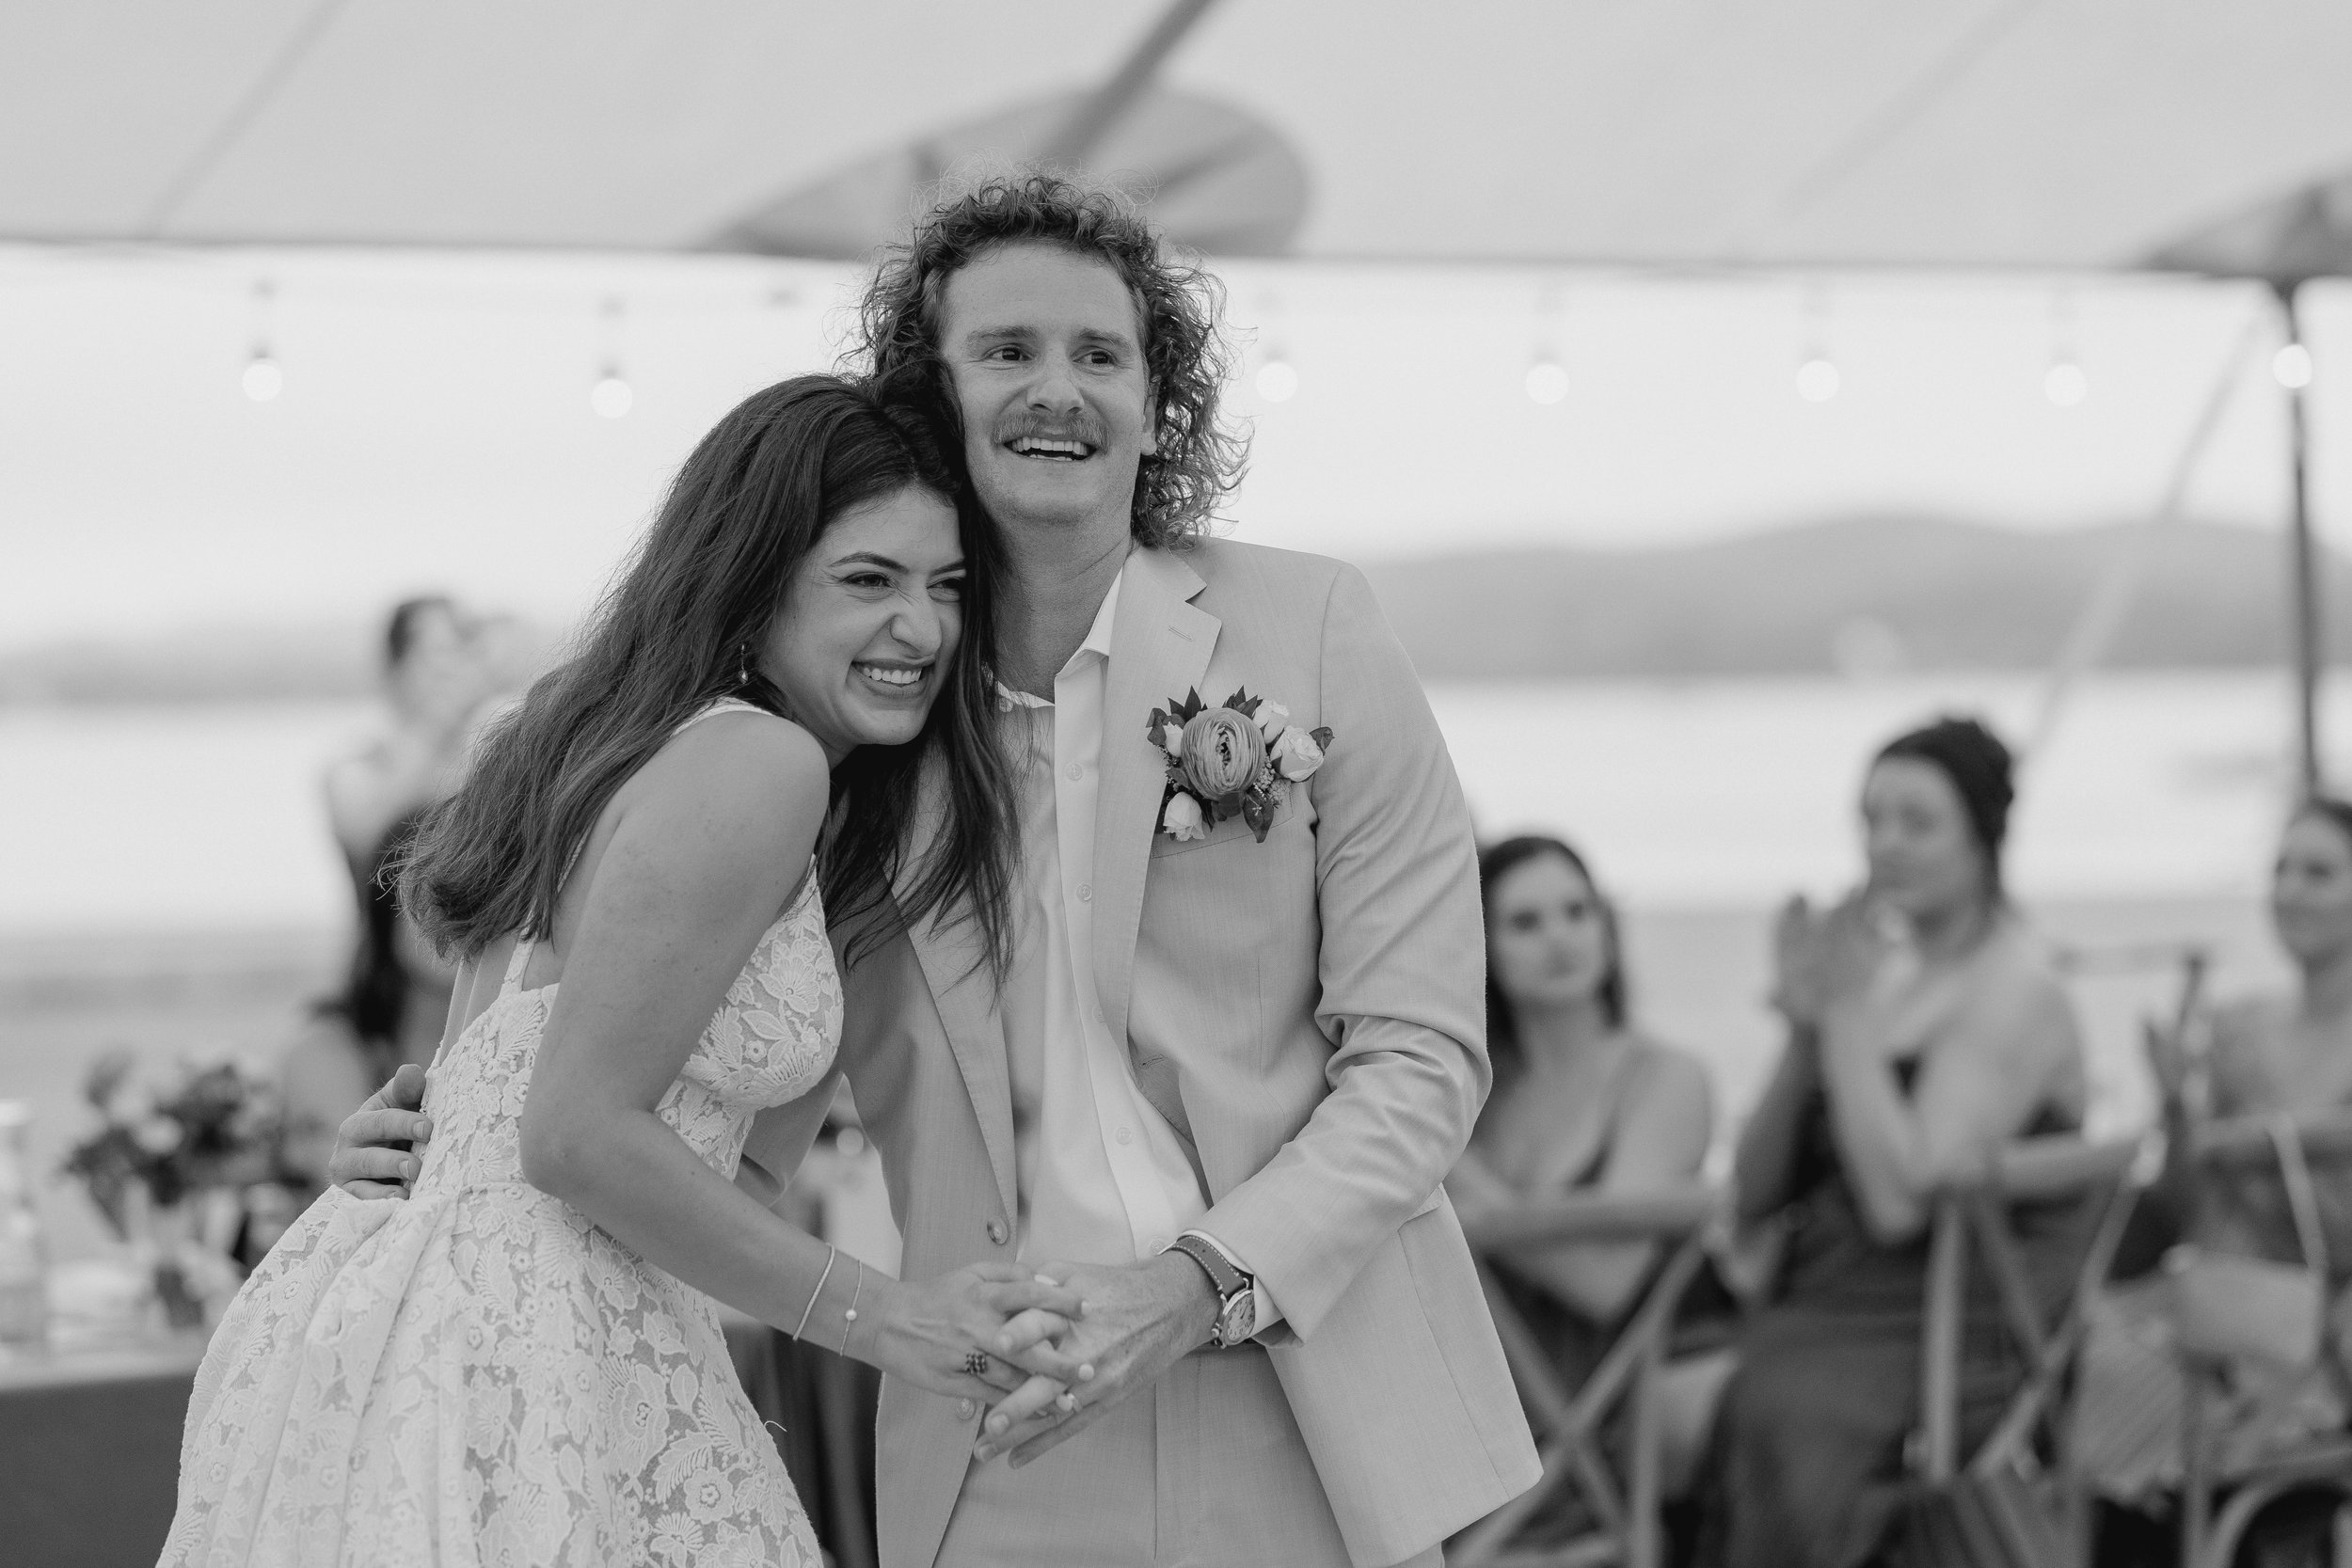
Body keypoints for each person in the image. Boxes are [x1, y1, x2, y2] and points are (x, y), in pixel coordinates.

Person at [333, 171, 1538, 1568]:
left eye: (1103, 353)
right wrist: (421, 1166)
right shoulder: (853, 724)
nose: (1059, 389)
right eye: (1007, 351)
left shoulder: (1317, 628)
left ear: (1161, 402)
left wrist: (1189, 1285)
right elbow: (702, 1119)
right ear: (933, 393)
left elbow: (1425, 1058)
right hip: (995, 1425)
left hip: (1312, 1389)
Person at [163, 374, 1094, 1567]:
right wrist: (896, 1318)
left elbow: (703, 1173)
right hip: (529, 1347)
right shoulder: (759, 762)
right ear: (753, 579)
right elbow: (572, 1133)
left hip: (412, 1316)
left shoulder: (606, 734)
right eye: (869, 579)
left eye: (948, 585)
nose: (923, 627)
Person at [1696, 716, 2090, 1568]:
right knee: (1727, 1379)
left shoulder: (2014, 988)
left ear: (1982, 834)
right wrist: (1806, 1030)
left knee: (1784, 1403)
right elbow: (1752, 1193)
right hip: (1824, 1306)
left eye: (1918, 821)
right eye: (1872, 819)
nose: (1886, 845)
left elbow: (1898, 1201)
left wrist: (1843, 1012)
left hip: (1952, 1324)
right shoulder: (1886, 979)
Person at [1448, 834, 1712, 1379]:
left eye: (1578, 911)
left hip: (1632, 1390)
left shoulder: (1664, 1078)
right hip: (1494, 1383)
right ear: (1482, 948)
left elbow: (1608, 1282)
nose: (1560, 938)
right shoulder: (1473, 1093)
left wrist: (1453, 1172)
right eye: (1526, 923)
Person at [275, 809, 455, 1198]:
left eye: (482, 898)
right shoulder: (327, 1048)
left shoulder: (521, 1034)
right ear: (384, 912)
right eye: (436, 896)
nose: (459, 919)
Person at [321, 594, 491, 878]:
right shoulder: (355, 765)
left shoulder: (482, 759)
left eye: (463, 651)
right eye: (439, 652)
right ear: (395, 666)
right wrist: (439, 724)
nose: (453, 669)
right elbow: (368, 841)